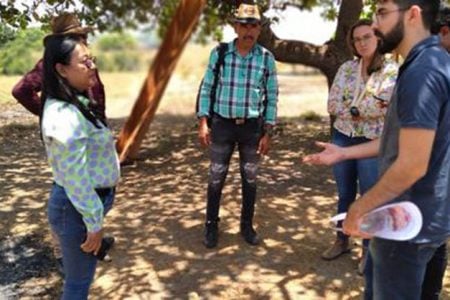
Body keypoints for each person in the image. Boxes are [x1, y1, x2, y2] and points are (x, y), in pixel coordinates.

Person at [304, 1, 449, 299]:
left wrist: (360, 208)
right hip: (431, 220)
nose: (375, 25)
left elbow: (412, 163)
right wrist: (344, 153)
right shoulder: (437, 61)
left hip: (404, 227)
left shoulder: (421, 72)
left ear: (412, 15)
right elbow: (405, 140)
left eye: (382, 13)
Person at [11, 13, 111, 274]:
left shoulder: (83, 58)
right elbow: (21, 90)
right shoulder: (52, 63)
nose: (84, 39)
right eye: (78, 35)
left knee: (94, 189)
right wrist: (47, 114)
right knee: (69, 187)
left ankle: (91, 240)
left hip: (87, 131)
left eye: (84, 34)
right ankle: (65, 252)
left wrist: (98, 128)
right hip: (68, 133)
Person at [41, 33, 120, 299]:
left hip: (82, 207)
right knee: (77, 284)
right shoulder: (63, 116)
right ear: (61, 70)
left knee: (79, 277)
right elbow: (75, 178)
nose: (92, 66)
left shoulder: (76, 101)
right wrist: (94, 223)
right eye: (85, 62)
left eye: (92, 59)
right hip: (76, 210)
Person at [197, 3, 278, 249]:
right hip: (222, 125)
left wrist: (268, 131)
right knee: (216, 177)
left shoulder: (266, 58)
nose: (249, 30)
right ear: (236, 27)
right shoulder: (220, 53)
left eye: (254, 26)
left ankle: (246, 226)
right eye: (244, 25)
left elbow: (272, 96)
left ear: (259, 29)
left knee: (250, 179)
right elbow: (207, 87)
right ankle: (211, 226)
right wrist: (203, 121)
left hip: (251, 128)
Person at [321, 19, 398, 276]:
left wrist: (354, 109)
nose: (362, 43)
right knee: (344, 194)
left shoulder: (391, 70)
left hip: (372, 142)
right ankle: (341, 240)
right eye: (357, 39)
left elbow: (389, 107)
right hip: (343, 136)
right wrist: (367, 110)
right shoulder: (346, 68)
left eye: (367, 37)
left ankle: (367, 250)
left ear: (377, 38)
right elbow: (332, 104)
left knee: (368, 198)